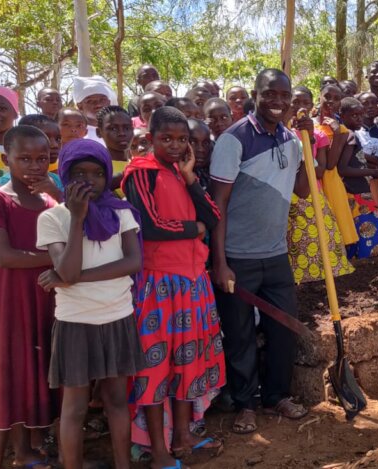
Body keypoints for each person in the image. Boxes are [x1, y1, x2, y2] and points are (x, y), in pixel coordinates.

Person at [210, 69, 313, 435]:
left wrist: (309, 146)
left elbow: (303, 190)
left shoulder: (292, 139)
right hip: (237, 256)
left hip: (276, 253)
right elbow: (218, 205)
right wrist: (220, 263)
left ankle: (276, 396)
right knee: (240, 336)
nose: (278, 102)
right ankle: (245, 405)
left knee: (283, 329)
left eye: (284, 95)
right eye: (270, 94)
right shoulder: (233, 139)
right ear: (255, 95)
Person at [122, 107, 224, 467]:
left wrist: (190, 177)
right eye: (167, 138)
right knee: (156, 366)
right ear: (151, 139)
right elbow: (150, 226)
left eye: (182, 139)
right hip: (159, 283)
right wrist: (193, 229)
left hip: (193, 281)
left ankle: (182, 435)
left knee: (188, 361)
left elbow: (213, 217)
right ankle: (158, 449)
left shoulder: (183, 174)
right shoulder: (141, 173)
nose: (176, 145)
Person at [36, 139, 144, 469]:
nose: (89, 181)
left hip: (117, 316)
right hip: (75, 322)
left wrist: (71, 278)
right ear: (65, 176)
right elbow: (67, 271)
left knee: (116, 401)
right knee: (75, 408)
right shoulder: (52, 218)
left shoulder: (120, 212)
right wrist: (77, 218)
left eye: (97, 173)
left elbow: (132, 262)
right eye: (79, 174)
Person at [0, 125, 59, 469]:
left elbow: (79, 230)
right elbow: (5, 257)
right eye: (24, 158)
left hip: (47, 301)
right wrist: (59, 259)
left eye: (42, 158)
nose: (35, 166)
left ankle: (26, 452)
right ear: (5, 159)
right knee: (7, 382)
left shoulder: (51, 201)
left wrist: (60, 196)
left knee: (35, 375)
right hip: (13, 304)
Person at [287, 92, 354, 283]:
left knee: (322, 237)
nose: (301, 107)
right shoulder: (283, 132)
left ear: (311, 105)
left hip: (313, 192)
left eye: (305, 102)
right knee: (295, 240)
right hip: (287, 193)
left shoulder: (318, 135)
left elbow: (321, 169)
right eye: (296, 102)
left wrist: (309, 145)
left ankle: (319, 282)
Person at [339, 97, 378, 257]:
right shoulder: (349, 135)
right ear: (342, 116)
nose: (359, 119)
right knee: (368, 237)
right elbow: (343, 169)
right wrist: (374, 172)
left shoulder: (349, 134)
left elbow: (355, 161)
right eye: (354, 115)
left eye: (361, 115)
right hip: (356, 192)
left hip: (359, 189)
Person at [315, 84, 359, 248]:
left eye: (336, 99)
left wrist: (337, 133)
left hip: (331, 181)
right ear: (319, 97)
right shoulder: (308, 125)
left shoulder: (342, 130)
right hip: (311, 178)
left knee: (335, 227)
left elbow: (331, 164)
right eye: (327, 96)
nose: (331, 101)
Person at [94, 106, 134, 192]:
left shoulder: (142, 162)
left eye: (127, 128)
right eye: (113, 128)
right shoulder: (96, 167)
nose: (122, 133)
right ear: (99, 132)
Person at [72, 76, 115, 144]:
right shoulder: (75, 134)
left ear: (109, 102)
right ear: (80, 106)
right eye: (90, 101)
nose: (98, 104)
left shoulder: (120, 131)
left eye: (102, 100)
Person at [188, 118, 214, 191]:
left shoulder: (214, 172)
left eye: (205, 143)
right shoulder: (173, 176)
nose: (201, 149)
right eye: (193, 142)